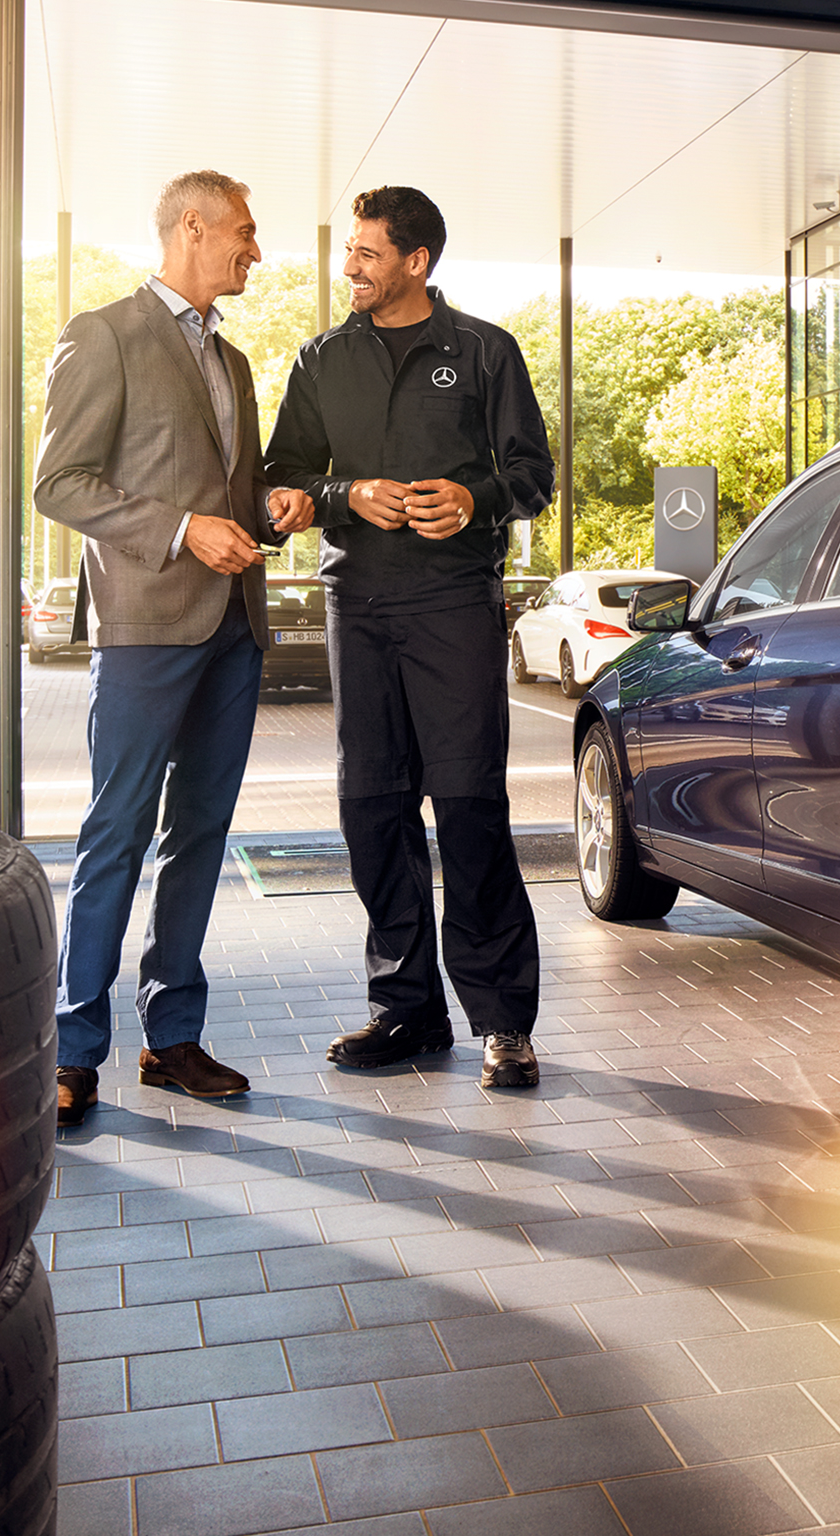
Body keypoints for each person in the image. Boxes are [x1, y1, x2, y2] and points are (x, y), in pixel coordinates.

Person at [34, 170, 316, 1127]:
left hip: (234, 628)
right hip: (147, 624)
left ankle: (171, 1038)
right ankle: (73, 1050)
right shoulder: (102, 335)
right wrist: (183, 529)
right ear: (191, 227)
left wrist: (270, 511)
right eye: (243, 230)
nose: (255, 250)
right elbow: (59, 484)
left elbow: (226, 502)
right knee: (114, 834)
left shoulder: (233, 363)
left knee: (199, 837)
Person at [264, 186, 555, 1088]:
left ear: (416, 263)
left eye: (365, 252)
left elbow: (533, 474)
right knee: (372, 811)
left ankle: (503, 1021)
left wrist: (477, 500)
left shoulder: (483, 353)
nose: (347, 266)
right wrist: (345, 495)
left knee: (469, 809)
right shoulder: (320, 360)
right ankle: (407, 1011)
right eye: (348, 251)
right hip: (359, 608)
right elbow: (282, 476)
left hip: (456, 606)